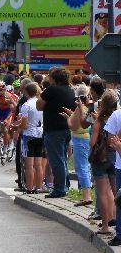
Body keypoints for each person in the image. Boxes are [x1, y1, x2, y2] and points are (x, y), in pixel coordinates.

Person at [38, 67, 76, 198]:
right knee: (63, 159)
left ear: (53, 78)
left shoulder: (52, 89)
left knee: (56, 160)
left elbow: (39, 105)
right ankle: (65, 185)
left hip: (53, 130)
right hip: (66, 128)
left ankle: (59, 189)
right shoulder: (70, 90)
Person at [89, 91, 117, 237]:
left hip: (100, 159)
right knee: (115, 191)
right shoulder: (117, 118)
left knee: (103, 193)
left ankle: (105, 226)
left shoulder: (99, 122)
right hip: (115, 157)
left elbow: (93, 143)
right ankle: (116, 221)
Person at [64, 84, 94, 207]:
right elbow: (83, 120)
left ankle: (86, 196)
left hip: (79, 139)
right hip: (85, 138)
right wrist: (71, 114)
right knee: (84, 166)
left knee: (81, 167)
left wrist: (67, 119)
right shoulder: (88, 107)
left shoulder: (79, 107)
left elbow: (74, 126)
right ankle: (86, 194)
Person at [15, 83, 45, 193]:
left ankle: (29, 188)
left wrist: (15, 126)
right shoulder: (41, 103)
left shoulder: (26, 105)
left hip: (29, 136)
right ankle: (38, 187)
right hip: (40, 134)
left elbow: (24, 124)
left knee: (29, 165)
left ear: (26, 92)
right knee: (38, 164)